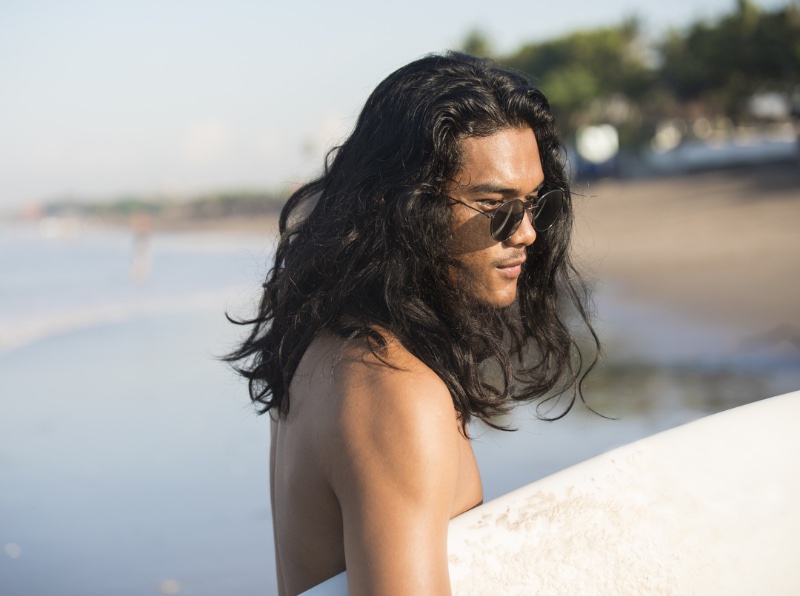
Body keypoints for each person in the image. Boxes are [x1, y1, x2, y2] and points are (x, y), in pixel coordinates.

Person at [226, 51, 598, 595]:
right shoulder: (395, 393)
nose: (526, 233)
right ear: (406, 204)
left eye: (531, 202)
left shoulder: (319, 346)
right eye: (494, 203)